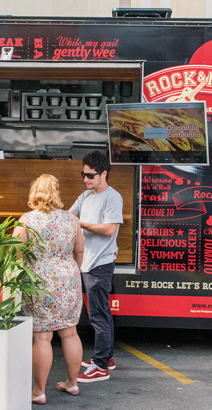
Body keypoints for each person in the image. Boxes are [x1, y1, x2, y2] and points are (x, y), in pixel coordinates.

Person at [13, 174, 85, 405]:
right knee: (70, 332)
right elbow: (80, 251)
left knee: (42, 338)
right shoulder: (72, 220)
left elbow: (15, 253)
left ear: (35, 193)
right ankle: (72, 383)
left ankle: (39, 391)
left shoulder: (26, 219)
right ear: (57, 194)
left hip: (38, 279)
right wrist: (71, 271)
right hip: (69, 277)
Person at [69, 151, 124, 383]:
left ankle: (101, 366)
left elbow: (110, 229)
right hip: (88, 263)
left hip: (100, 264)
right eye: (84, 174)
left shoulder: (112, 197)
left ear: (104, 174)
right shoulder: (85, 196)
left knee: (98, 316)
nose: (86, 179)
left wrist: (81, 223)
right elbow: (70, 216)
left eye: (91, 175)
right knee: (101, 314)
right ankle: (107, 358)